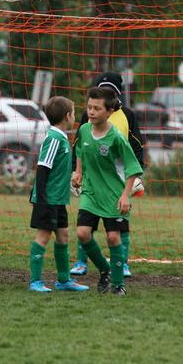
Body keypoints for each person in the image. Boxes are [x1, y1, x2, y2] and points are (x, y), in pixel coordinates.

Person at [70, 72, 145, 278]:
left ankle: (122, 265)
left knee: (115, 233)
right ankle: (81, 261)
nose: (92, 111)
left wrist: (136, 175)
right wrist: (76, 171)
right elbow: (80, 146)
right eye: (90, 107)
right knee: (84, 229)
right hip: (92, 183)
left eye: (109, 91)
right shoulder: (88, 120)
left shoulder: (127, 115)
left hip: (118, 180)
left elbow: (136, 145)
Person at [27, 96, 89, 293]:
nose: (75, 116)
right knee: (43, 236)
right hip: (48, 200)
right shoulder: (54, 138)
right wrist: (42, 200)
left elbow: (56, 170)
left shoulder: (61, 137)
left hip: (58, 200)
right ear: (67, 116)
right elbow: (42, 169)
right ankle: (35, 281)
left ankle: (63, 280)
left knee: (63, 235)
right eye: (74, 112)